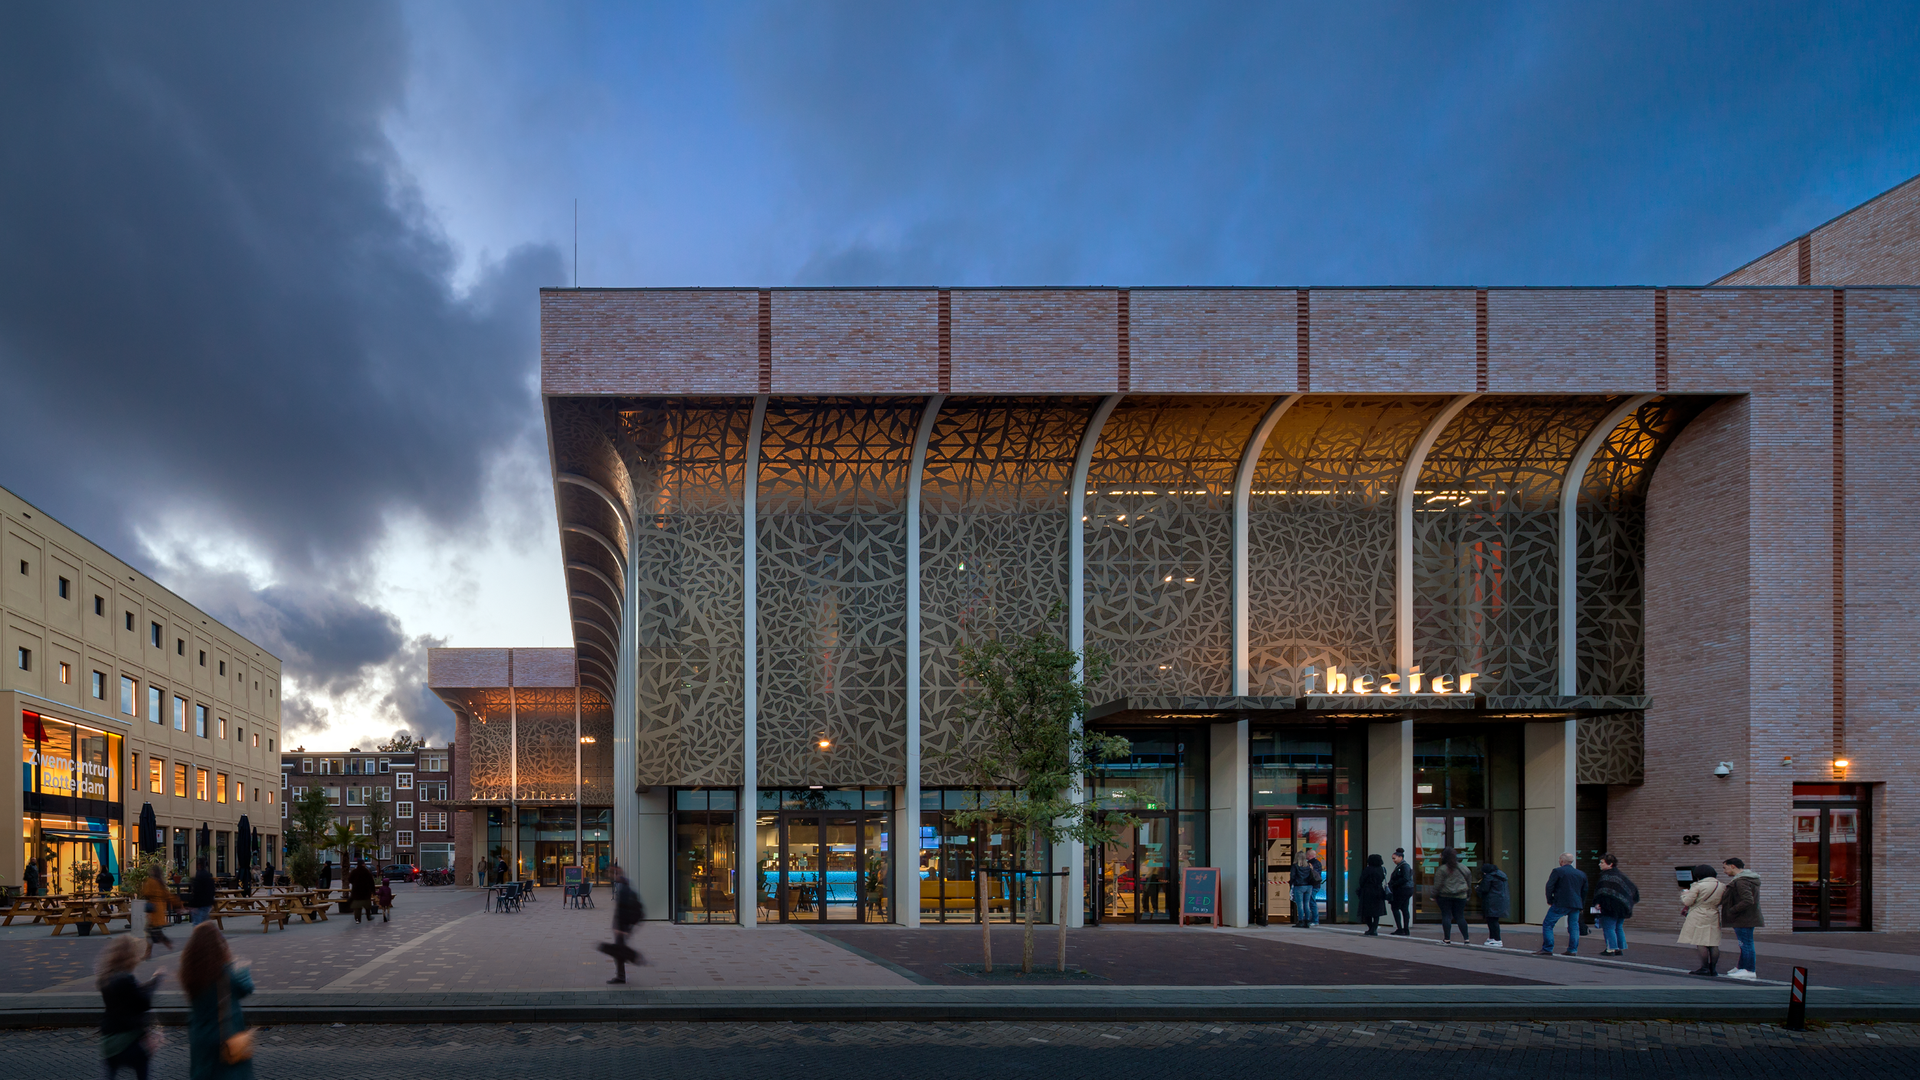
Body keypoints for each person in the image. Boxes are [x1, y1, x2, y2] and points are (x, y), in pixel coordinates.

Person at [180, 923, 254, 1079]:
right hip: (225, 1034)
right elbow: (246, 988)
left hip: (200, 1035)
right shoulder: (225, 973)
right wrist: (243, 969)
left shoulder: (190, 974)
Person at [98, 934, 163, 1080]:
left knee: (111, 1071)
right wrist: (156, 980)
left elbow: (134, 994)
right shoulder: (126, 979)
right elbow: (143, 1002)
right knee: (142, 1066)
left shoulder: (106, 977)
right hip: (127, 1039)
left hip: (108, 1039)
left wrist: (150, 982)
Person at [1679, 863, 1728, 976]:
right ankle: (1713, 969)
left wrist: (1684, 893)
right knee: (1713, 942)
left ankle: (1704, 967)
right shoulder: (1721, 885)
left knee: (1701, 941)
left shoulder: (1698, 885)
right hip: (1714, 913)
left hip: (1699, 914)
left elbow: (1688, 902)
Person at [1537, 852, 1587, 956]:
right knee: (1574, 926)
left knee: (1548, 924)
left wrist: (1550, 900)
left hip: (1561, 902)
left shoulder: (1557, 871)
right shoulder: (1581, 874)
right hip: (1576, 903)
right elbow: (1584, 891)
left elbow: (1549, 886)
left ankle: (1548, 948)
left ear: (1562, 860)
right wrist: (1582, 904)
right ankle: (1572, 949)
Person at [600, 864, 644, 984]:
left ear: (616, 874)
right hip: (622, 926)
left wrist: (623, 928)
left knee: (619, 951)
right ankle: (623, 972)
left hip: (623, 927)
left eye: (610, 874)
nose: (608, 876)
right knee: (619, 950)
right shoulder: (622, 886)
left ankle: (632, 961)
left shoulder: (624, 888)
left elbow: (625, 909)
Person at [1720, 857, 1762, 980]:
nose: (1724, 871)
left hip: (1744, 918)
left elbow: (1748, 900)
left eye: (1725, 867)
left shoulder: (1741, 881)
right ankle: (1741, 967)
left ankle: (1749, 969)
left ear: (1733, 866)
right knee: (1744, 943)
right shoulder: (1748, 879)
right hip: (1747, 917)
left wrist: (1732, 910)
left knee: (1745, 943)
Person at [1594, 854, 1639, 957]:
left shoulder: (1606, 877)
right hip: (1622, 907)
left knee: (1608, 927)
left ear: (1610, 864)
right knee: (1618, 927)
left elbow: (1602, 892)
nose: (1599, 864)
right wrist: (1628, 902)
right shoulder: (1621, 876)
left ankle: (1611, 949)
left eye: (1602, 862)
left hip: (1609, 907)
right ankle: (1619, 948)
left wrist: (1598, 903)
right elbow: (1634, 891)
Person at [1432, 847, 1472, 944]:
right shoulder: (1463, 867)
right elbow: (1469, 882)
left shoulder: (1442, 869)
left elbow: (1438, 884)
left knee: (1446, 915)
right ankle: (1466, 938)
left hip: (1445, 895)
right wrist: (1468, 894)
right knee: (1460, 916)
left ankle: (1447, 939)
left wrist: (1433, 895)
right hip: (1461, 895)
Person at [142, 867, 180, 959]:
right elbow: (168, 896)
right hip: (159, 911)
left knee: (152, 932)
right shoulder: (161, 883)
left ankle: (165, 944)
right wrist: (178, 905)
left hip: (152, 910)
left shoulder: (150, 881)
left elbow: (145, 892)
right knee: (153, 932)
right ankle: (150, 952)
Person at [1475, 862, 1509, 947]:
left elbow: (1484, 889)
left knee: (1492, 921)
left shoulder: (1489, 877)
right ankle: (1492, 938)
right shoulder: (1501, 875)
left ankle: (1497, 939)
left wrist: (1478, 889)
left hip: (1491, 900)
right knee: (1494, 920)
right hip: (1499, 900)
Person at [1288, 846, 1323, 927]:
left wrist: (1291, 884)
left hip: (1299, 886)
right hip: (1309, 887)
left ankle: (1301, 921)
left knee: (1300, 904)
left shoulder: (1295, 866)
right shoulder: (1309, 866)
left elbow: (1292, 876)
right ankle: (1307, 921)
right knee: (1307, 904)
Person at [1358, 854, 1388, 935]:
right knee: (1376, 913)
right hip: (1379, 891)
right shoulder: (1382, 869)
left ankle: (1371, 928)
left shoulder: (1367, 870)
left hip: (1368, 892)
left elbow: (1362, 881)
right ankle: (1374, 928)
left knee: (1367, 912)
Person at [1387, 849, 1414, 935]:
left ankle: (1400, 928)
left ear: (1400, 857)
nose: (1393, 860)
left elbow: (1405, 878)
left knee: (1395, 907)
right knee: (1404, 908)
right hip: (1406, 889)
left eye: (1394, 858)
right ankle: (1405, 929)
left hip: (1402, 890)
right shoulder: (1403, 866)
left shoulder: (1403, 866)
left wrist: (1394, 884)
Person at [188, 859, 216, 926]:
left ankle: (199, 935)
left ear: (198, 865)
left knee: (197, 923)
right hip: (207, 903)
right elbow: (212, 889)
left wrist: (192, 904)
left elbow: (196, 891)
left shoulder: (199, 876)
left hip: (199, 905)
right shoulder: (208, 875)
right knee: (205, 922)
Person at [348, 860, 377, 924]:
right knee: (367, 906)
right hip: (366, 892)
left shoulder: (354, 872)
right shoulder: (367, 872)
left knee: (357, 907)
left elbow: (350, 880)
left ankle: (357, 919)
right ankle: (368, 916)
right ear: (363, 864)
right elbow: (371, 882)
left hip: (356, 892)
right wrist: (373, 891)